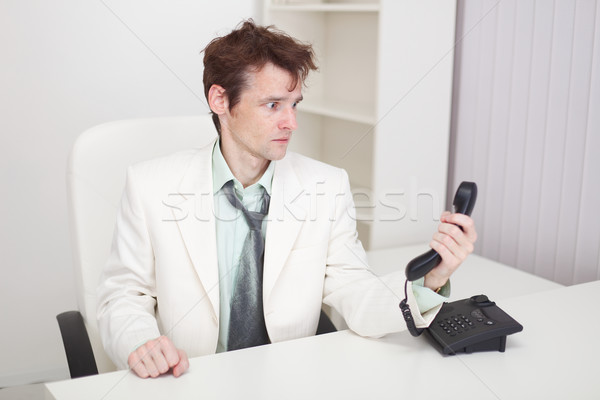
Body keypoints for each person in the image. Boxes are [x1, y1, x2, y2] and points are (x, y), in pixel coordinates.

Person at [97, 20, 477, 379]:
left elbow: (355, 290)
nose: (291, 122)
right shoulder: (150, 185)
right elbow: (124, 295)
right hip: (189, 380)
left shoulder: (327, 186)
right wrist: (141, 341)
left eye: (294, 104)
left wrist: (430, 278)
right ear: (220, 100)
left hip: (291, 381)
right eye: (273, 105)